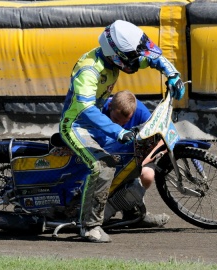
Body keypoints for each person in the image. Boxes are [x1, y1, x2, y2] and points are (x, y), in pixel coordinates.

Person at [59, 20, 185, 243]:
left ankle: (132, 211)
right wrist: (117, 131)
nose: (136, 61)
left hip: (98, 124)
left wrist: (172, 73)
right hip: (77, 125)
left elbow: (152, 57)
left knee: (136, 151)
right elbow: (85, 109)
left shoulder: (115, 59)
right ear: (116, 54)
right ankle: (89, 226)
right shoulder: (89, 70)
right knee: (103, 167)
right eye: (131, 57)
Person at [101, 90, 169, 227]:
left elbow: (160, 137)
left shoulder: (141, 112)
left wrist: (145, 161)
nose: (119, 125)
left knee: (147, 175)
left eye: (124, 122)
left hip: (137, 157)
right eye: (115, 120)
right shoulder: (100, 109)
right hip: (110, 155)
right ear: (110, 108)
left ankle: (134, 210)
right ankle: (110, 209)